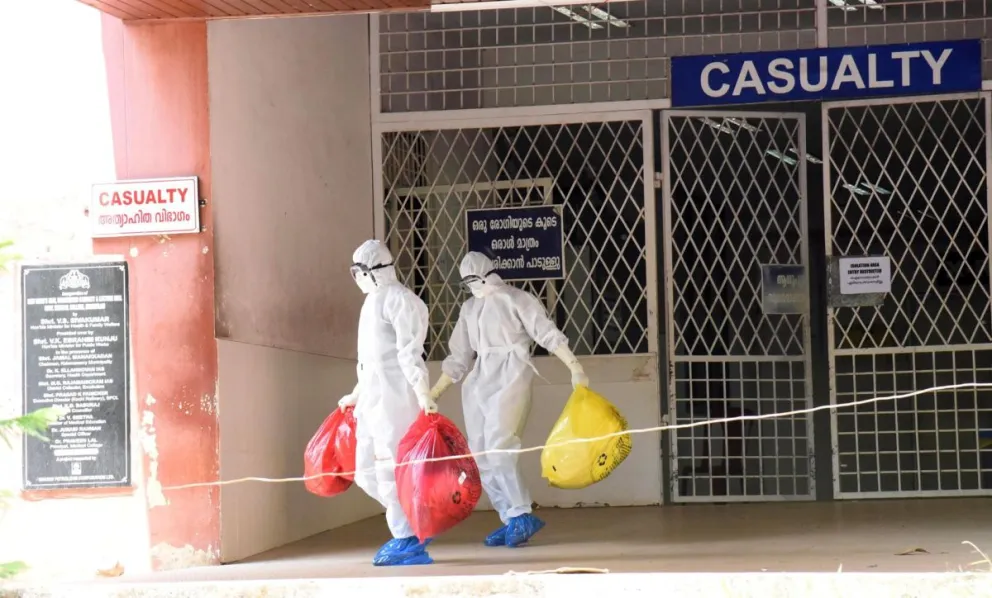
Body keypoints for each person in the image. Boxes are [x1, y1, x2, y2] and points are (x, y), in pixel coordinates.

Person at [428, 251, 588, 548]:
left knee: (500, 446)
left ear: (488, 274)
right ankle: (510, 516)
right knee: (481, 454)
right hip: (479, 381)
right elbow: (459, 356)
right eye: (466, 283)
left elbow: (546, 333)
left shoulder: (517, 299)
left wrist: (574, 366)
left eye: (474, 280)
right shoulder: (469, 309)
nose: (472, 287)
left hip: (512, 375)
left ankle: (523, 513)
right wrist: (434, 392)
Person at [338, 239, 438, 567]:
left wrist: (423, 393)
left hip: (396, 398)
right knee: (365, 469)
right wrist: (356, 393)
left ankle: (407, 539)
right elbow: (370, 361)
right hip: (373, 398)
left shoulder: (401, 301)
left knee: (388, 469)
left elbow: (410, 354)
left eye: (359, 271)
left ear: (374, 269)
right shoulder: (371, 304)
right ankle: (416, 516)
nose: (357, 278)